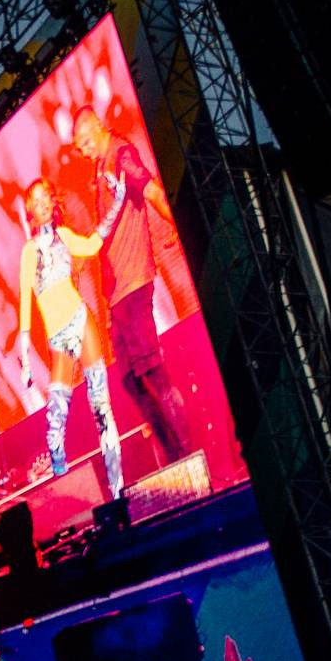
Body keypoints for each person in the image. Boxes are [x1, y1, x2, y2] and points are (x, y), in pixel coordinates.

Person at [76, 108, 192, 467]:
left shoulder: (121, 155)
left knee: (152, 372)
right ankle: (173, 449)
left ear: (96, 128)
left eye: (83, 142)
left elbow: (152, 188)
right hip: (117, 294)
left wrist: (174, 223)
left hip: (135, 283)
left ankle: (186, 450)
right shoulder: (100, 169)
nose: (83, 150)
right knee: (130, 379)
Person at [15, 168, 127, 498]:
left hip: (81, 319)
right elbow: (25, 300)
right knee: (57, 416)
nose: (42, 203)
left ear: (52, 201)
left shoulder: (64, 236)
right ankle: (61, 472)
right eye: (34, 201)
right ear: (30, 212)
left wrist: (118, 199)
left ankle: (117, 486)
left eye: (44, 197)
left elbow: (93, 244)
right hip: (58, 336)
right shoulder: (28, 253)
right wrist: (24, 359)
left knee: (101, 405)